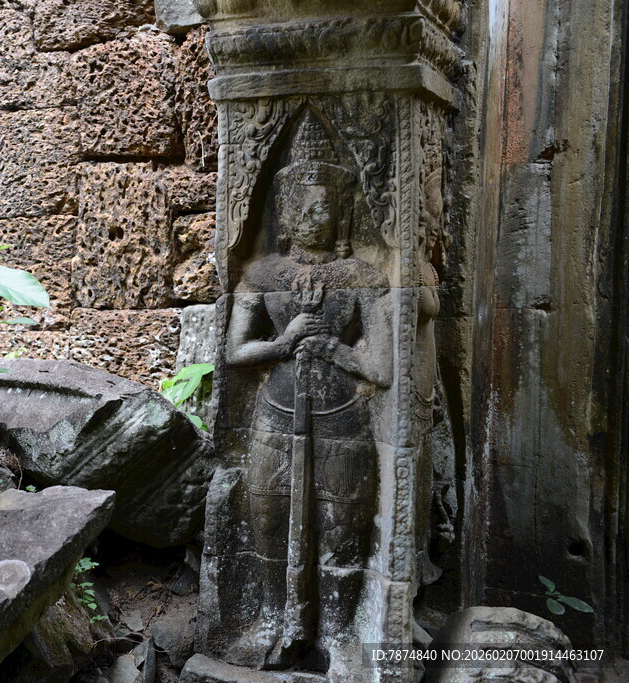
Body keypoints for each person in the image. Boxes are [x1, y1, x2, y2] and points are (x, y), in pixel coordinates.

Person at [224, 111, 392, 667]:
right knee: (269, 521)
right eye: (306, 208)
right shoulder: (262, 274)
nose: (318, 217)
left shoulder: (363, 276)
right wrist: (285, 340)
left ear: (342, 213)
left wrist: (335, 349)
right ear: (288, 214)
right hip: (275, 412)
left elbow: (382, 368)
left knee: (342, 527)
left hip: (344, 417)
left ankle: (339, 635)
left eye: (327, 207)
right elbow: (235, 352)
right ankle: (272, 619)